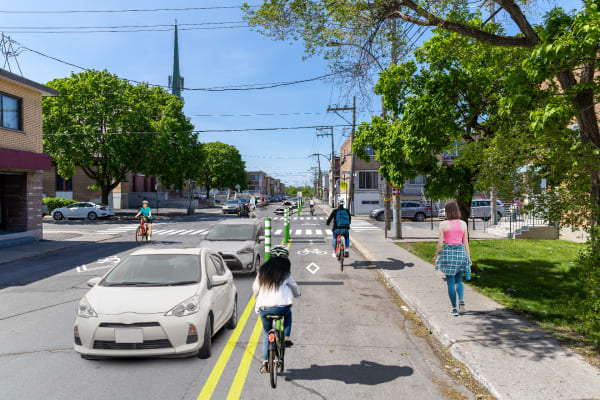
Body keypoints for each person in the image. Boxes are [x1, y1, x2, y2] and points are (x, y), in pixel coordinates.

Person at [252, 245, 300, 373]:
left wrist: (258, 298)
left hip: (265, 309)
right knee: (288, 315)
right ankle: (287, 338)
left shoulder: (262, 272)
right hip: (281, 308)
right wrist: (297, 294)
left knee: (267, 333)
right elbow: (294, 287)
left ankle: (265, 363)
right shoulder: (285, 273)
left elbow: (255, 288)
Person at [433, 200, 472, 317]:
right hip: (460, 254)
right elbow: (465, 242)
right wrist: (468, 257)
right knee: (459, 280)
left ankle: (454, 309)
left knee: (450, 282)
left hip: (449, 255)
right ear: (457, 211)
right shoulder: (463, 224)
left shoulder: (443, 225)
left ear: (447, 212)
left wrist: (436, 255)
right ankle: (461, 300)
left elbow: (440, 244)